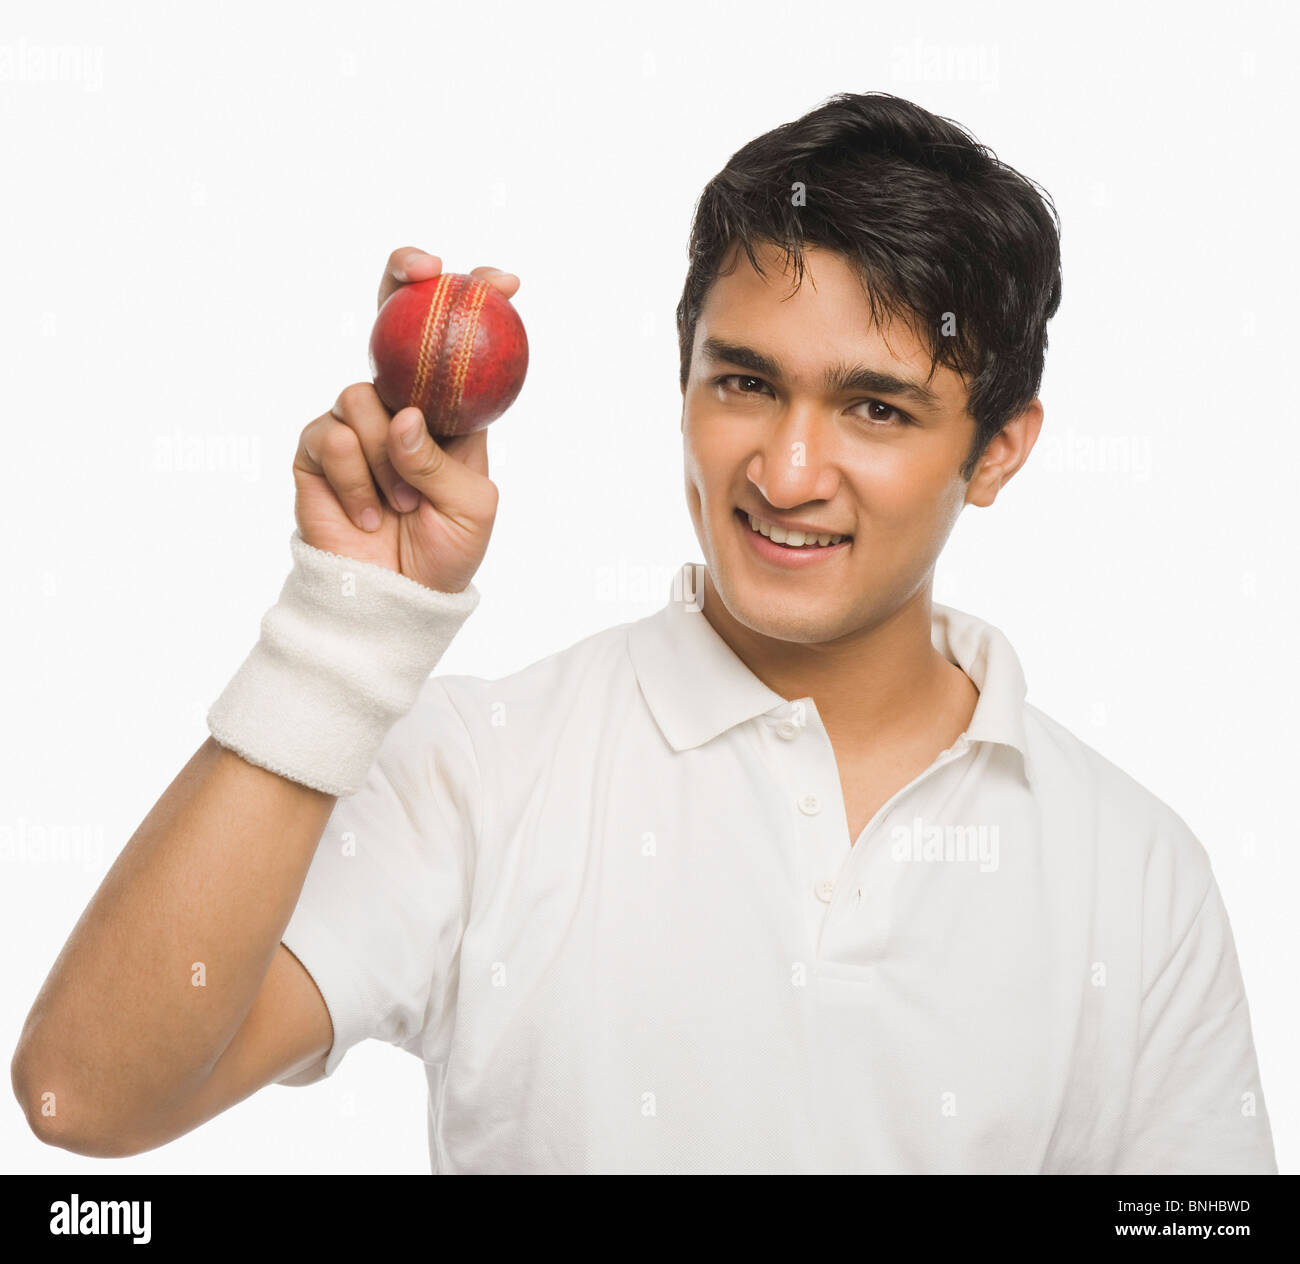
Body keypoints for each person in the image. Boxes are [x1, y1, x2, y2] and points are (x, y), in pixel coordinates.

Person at [12, 91, 1276, 1175]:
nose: (785, 471)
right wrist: (343, 632)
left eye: (875, 408)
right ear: (681, 380)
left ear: (997, 449)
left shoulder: (1137, 870)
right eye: (744, 381)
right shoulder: (483, 771)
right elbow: (86, 1095)